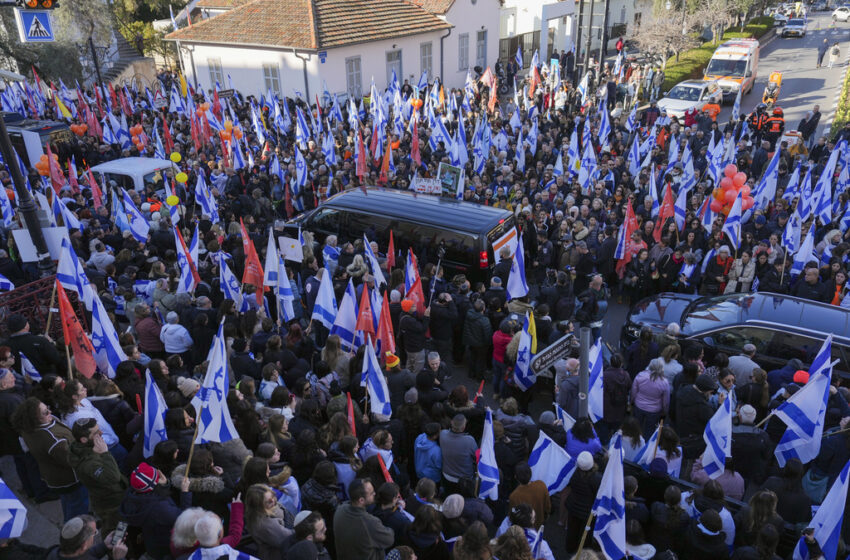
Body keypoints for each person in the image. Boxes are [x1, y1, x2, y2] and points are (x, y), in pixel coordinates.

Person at [11, 397, 88, 522]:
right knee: (78, 505)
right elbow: (72, 460)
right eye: (45, 412)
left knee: (68, 501)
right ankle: (79, 529)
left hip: (55, 478)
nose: (50, 413)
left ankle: (70, 521)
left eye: (48, 408)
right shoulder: (53, 440)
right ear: (34, 419)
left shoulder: (27, 430)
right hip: (71, 479)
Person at [68, 418, 127, 536]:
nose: (101, 433)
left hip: (112, 496)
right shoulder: (88, 463)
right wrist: (105, 453)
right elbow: (113, 477)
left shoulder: (81, 447)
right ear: (84, 439)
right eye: (95, 433)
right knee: (116, 529)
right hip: (110, 503)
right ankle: (114, 550)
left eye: (99, 429)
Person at [333, 479, 394, 560]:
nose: (375, 493)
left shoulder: (340, 509)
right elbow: (389, 539)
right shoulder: (369, 523)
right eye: (372, 493)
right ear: (361, 500)